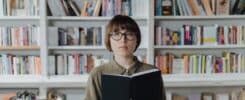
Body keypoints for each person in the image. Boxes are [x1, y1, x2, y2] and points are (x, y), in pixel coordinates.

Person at [84, 15, 166, 100]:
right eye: (116, 34)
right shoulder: (98, 74)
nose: (123, 40)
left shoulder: (152, 72)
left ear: (136, 39)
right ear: (109, 40)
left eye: (129, 34)